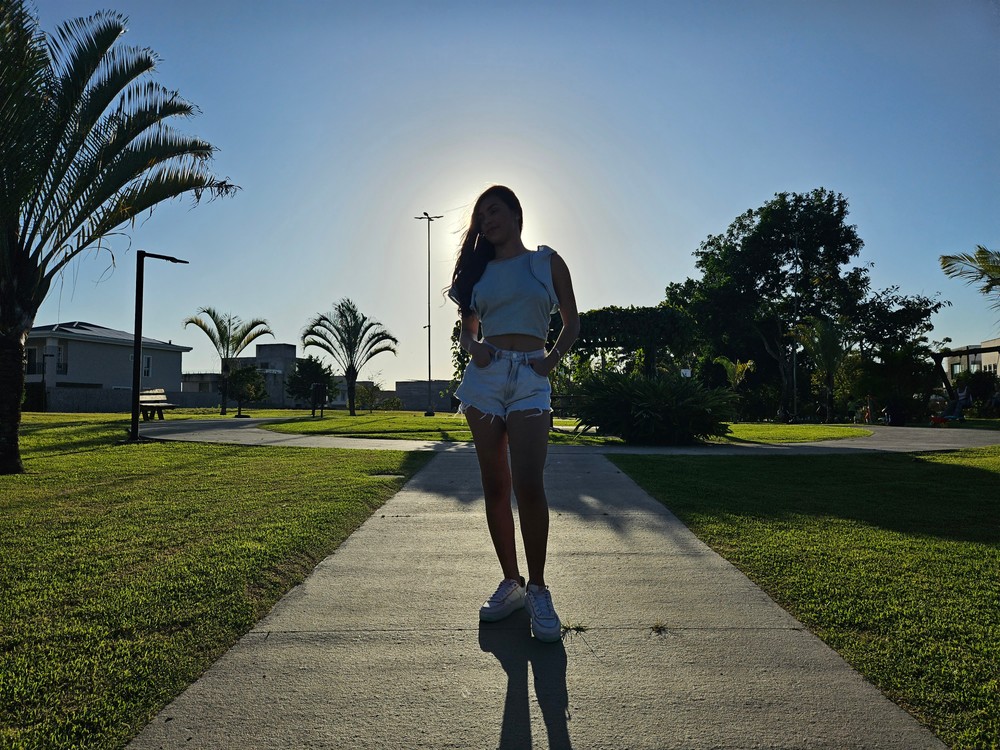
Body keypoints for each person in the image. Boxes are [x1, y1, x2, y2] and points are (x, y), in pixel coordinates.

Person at [448, 185, 580, 643]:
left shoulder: (545, 262)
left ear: (516, 213)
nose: (487, 220)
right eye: (481, 215)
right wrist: (475, 349)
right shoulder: (479, 273)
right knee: (495, 485)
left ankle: (539, 588)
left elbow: (572, 321)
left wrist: (551, 360)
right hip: (485, 380)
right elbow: (467, 331)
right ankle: (512, 582)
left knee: (529, 483)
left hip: (530, 376)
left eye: (494, 211)